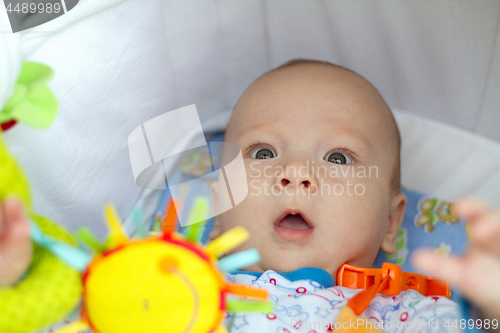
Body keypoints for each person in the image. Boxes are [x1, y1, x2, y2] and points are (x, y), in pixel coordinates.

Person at [1, 60, 499, 332]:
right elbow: (87, 312)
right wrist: (19, 278)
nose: (294, 174)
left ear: (393, 224)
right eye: (263, 154)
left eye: (338, 159)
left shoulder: (401, 312)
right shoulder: (166, 273)